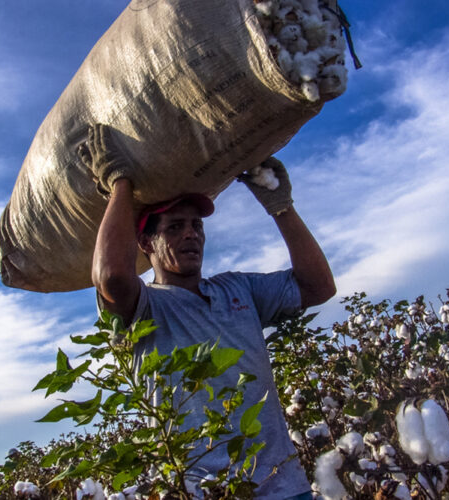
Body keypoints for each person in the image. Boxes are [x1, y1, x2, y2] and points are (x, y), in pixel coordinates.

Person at [81, 123, 336, 499]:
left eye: (197, 225)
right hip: (210, 493)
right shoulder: (143, 308)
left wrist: (281, 207)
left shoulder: (238, 288)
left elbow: (318, 287)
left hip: (287, 487)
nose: (191, 234)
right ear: (146, 242)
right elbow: (111, 276)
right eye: (175, 227)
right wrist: (120, 181)